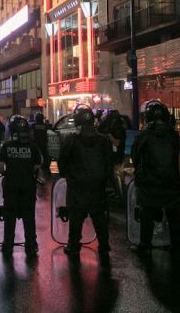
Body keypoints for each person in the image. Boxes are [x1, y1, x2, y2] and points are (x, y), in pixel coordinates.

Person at [131, 101, 180, 254]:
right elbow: (176, 154)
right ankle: (177, 245)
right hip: (172, 180)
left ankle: (145, 245)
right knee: (174, 213)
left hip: (150, 181)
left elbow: (135, 157)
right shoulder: (173, 136)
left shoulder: (144, 136)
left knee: (147, 212)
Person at [58, 107, 112, 263]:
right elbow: (109, 163)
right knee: (99, 217)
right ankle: (103, 245)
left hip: (77, 186)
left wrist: (68, 176)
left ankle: (74, 246)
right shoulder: (103, 140)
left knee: (76, 218)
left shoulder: (72, 140)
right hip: (97, 186)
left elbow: (62, 162)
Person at [0, 115, 42, 257]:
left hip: (11, 188)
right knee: (29, 218)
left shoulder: (7, 146)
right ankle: (31, 245)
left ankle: (8, 245)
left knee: (9, 218)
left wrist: (9, 171)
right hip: (28, 188)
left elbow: (0, 167)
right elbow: (38, 163)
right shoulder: (32, 146)